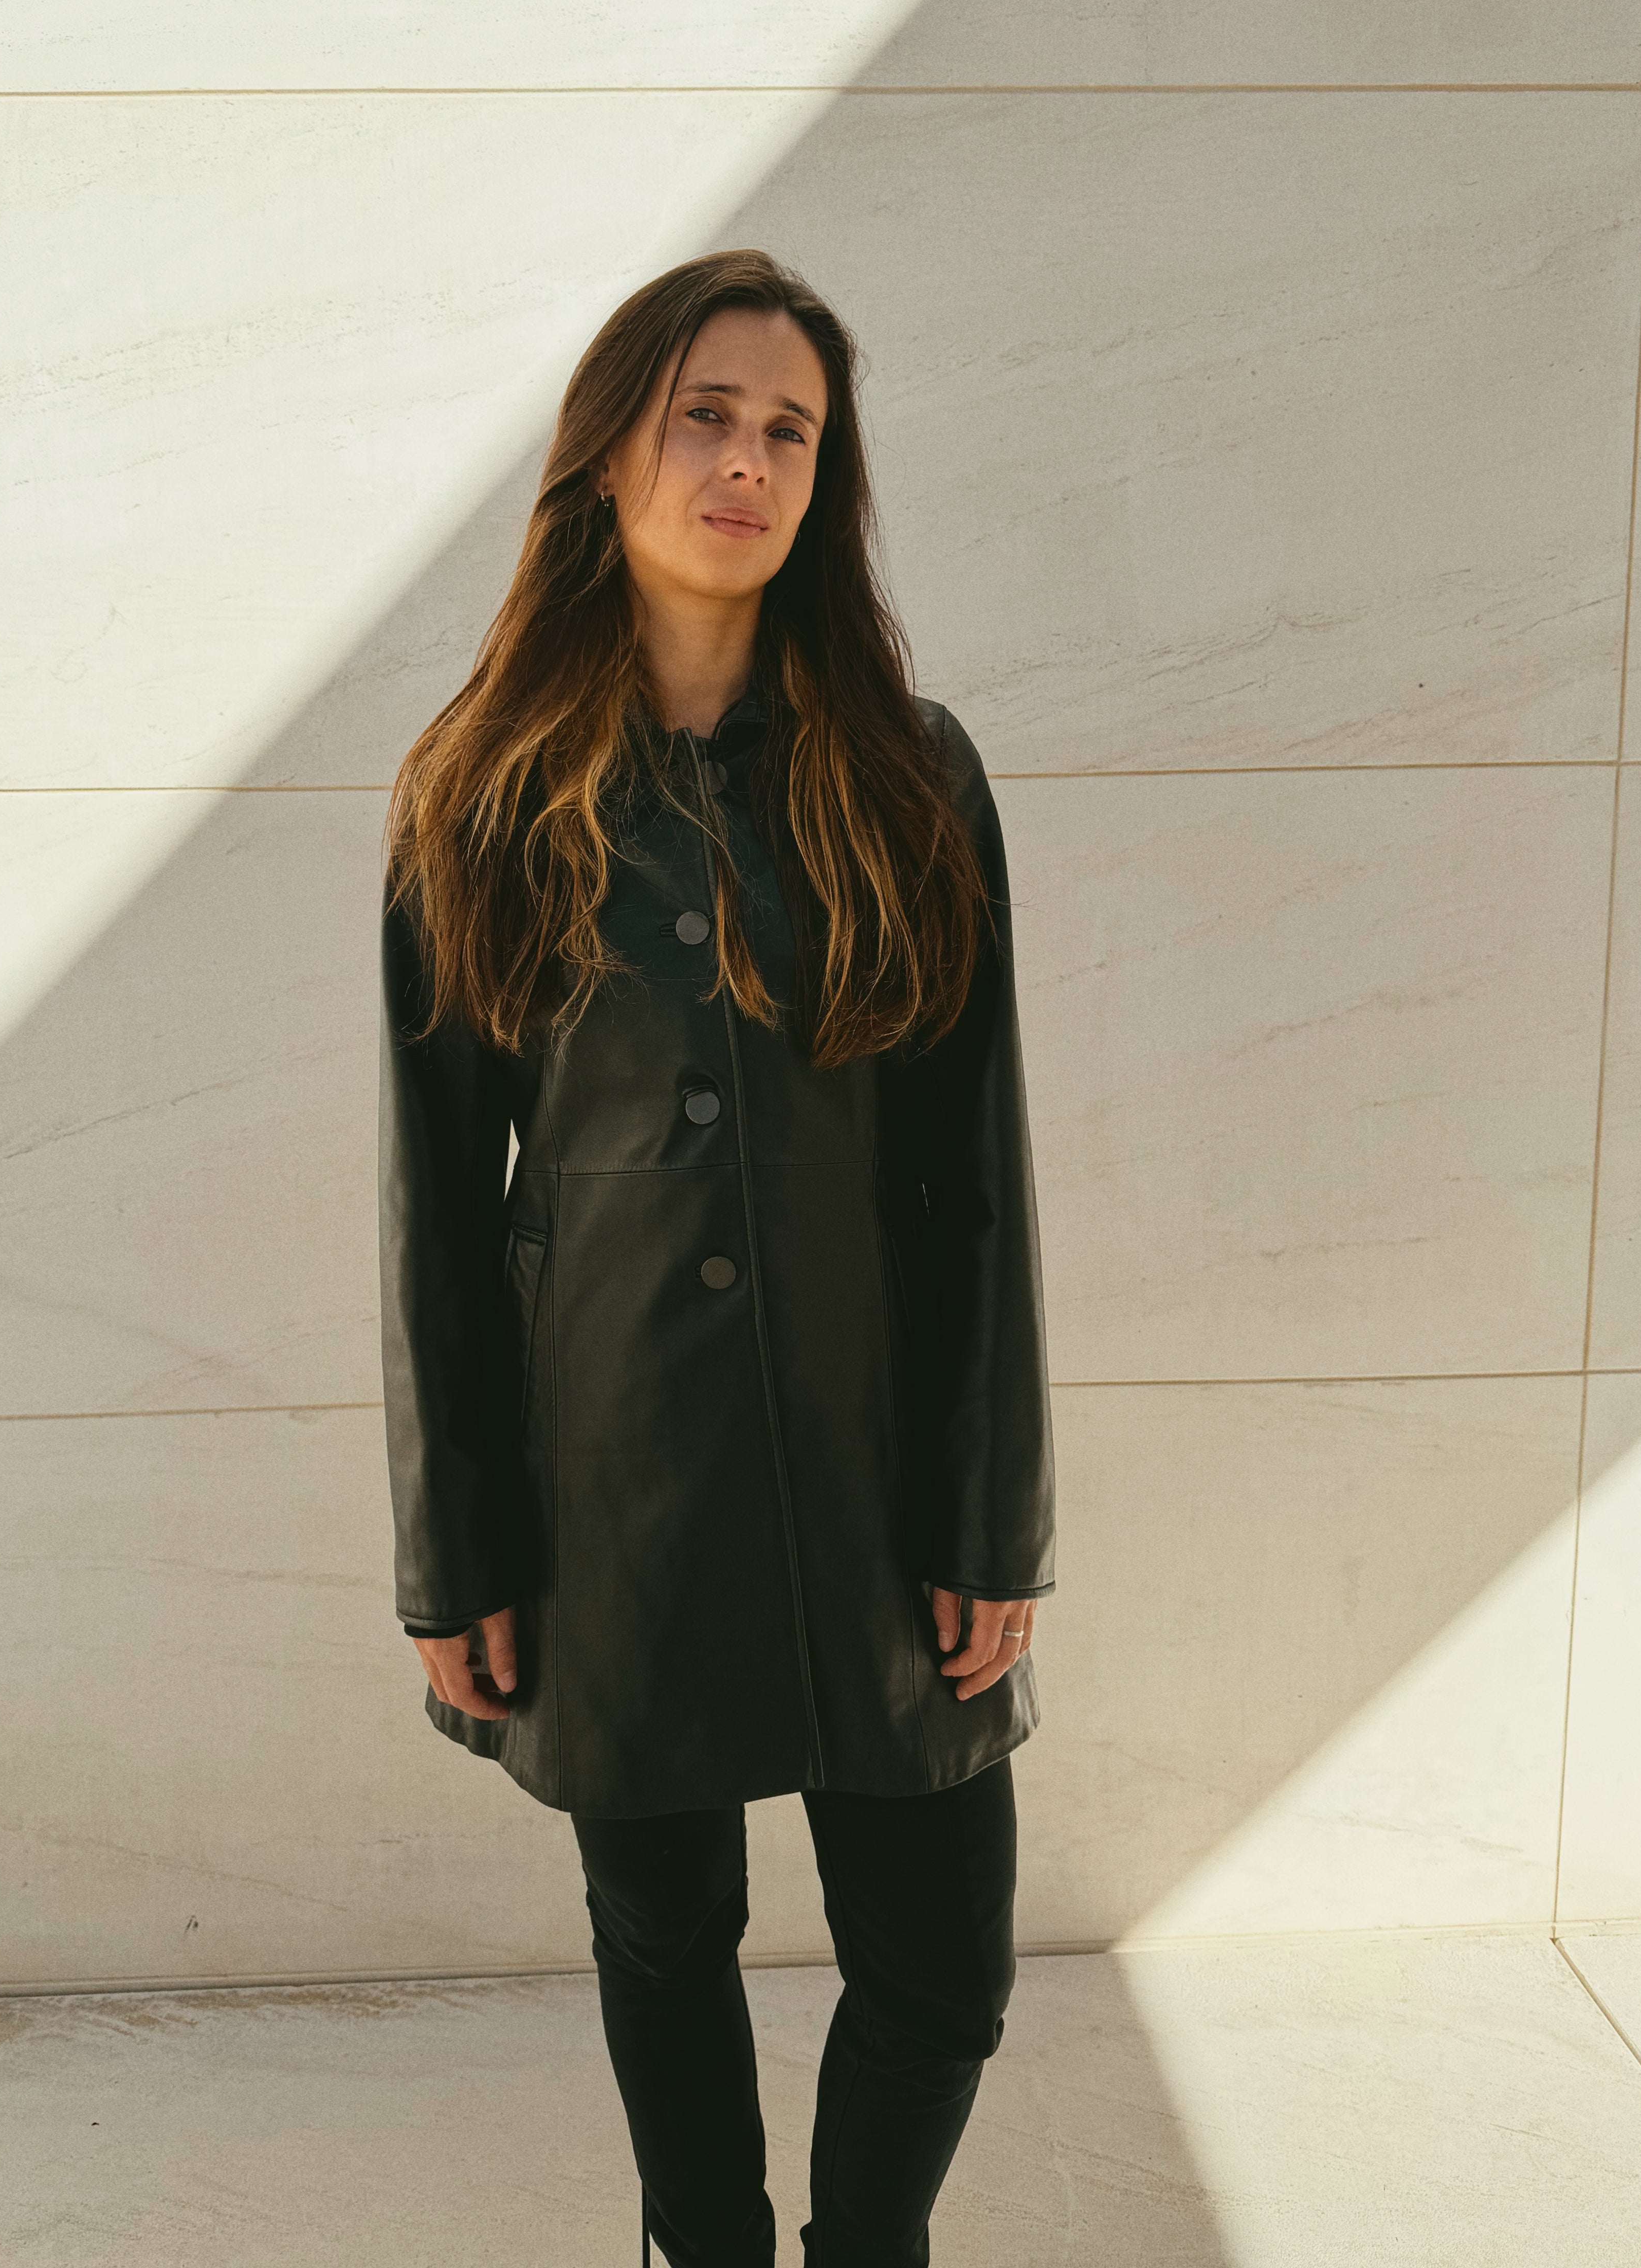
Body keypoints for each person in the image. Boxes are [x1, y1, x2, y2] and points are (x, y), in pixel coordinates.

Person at [378, 247, 1056, 2267]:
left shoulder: (912, 769)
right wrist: (457, 1552)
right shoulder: (481, 790)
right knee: (659, 1928)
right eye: (707, 413)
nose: (748, 458)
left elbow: (984, 1177)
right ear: (610, 452)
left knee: (945, 1954)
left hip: (876, 1468)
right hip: (619, 1481)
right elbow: (435, 1201)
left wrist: (990, 1508)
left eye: (790, 428)